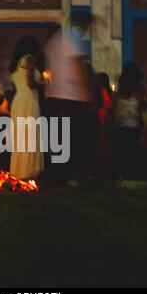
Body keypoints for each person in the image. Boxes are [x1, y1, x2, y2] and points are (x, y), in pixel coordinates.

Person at [44, 11, 94, 184]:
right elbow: (76, 65)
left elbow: (49, 72)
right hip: (70, 96)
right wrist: (87, 91)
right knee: (74, 138)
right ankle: (67, 176)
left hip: (55, 96)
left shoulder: (54, 41)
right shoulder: (72, 39)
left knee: (58, 139)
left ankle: (56, 176)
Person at [9, 35, 45, 180]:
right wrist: (45, 84)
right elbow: (30, 83)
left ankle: (19, 171)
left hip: (18, 100)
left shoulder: (18, 62)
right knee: (29, 136)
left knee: (20, 138)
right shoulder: (29, 59)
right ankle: (28, 172)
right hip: (29, 99)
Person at [111, 63, 143, 178]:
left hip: (120, 125)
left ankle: (120, 173)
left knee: (120, 153)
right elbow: (139, 110)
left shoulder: (119, 90)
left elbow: (114, 109)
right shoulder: (137, 92)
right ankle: (131, 173)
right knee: (131, 152)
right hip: (132, 125)